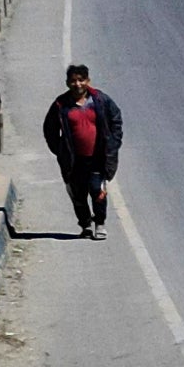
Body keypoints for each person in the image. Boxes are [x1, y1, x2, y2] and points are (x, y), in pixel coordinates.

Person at [41, 64, 123, 239]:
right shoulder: (61, 105)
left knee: (97, 190)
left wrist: (113, 144)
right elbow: (50, 129)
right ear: (67, 83)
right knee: (78, 194)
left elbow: (116, 119)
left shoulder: (100, 100)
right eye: (73, 81)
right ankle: (85, 224)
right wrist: (60, 150)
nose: (77, 84)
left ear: (88, 81)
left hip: (97, 157)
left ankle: (100, 224)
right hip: (74, 160)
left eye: (81, 80)